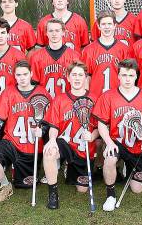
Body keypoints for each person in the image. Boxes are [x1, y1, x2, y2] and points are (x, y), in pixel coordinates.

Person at [0, 60, 50, 203]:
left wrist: (43, 130)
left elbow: (50, 121)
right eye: (18, 75)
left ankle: (20, 168)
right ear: (14, 76)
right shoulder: (9, 92)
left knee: (27, 184)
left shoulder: (42, 92)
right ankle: (5, 185)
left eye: (25, 74)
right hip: (12, 143)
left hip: (33, 147)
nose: (22, 78)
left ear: (31, 74)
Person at [96, 59, 142, 211]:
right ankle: (110, 195)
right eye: (124, 75)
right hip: (117, 141)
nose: (127, 79)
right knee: (109, 158)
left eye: (131, 75)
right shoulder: (108, 96)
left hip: (137, 146)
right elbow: (101, 124)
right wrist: (109, 142)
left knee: (137, 189)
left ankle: (129, 168)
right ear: (118, 76)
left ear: (136, 76)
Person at [41, 62, 99, 207]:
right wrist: (52, 140)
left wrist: (92, 136)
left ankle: (70, 167)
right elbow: (53, 125)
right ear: (68, 77)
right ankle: (53, 193)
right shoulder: (60, 99)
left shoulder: (94, 98)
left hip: (84, 149)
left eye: (81, 75)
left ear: (86, 77)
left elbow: (101, 127)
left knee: (82, 189)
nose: (77, 78)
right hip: (66, 143)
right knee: (49, 151)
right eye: (74, 75)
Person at [29, 19, 82, 98]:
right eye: (51, 31)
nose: (54, 34)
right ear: (46, 33)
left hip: (68, 104)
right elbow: (33, 86)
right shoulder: (36, 57)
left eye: (57, 30)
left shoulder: (75, 56)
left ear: (63, 32)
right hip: (44, 103)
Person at [82, 11, 131, 93]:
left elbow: (128, 78)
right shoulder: (89, 50)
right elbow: (86, 77)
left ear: (115, 26)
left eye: (109, 24)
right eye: (103, 24)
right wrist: (87, 97)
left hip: (117, 98)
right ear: (98, 26)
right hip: (95, 97)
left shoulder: (124, 49)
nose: (107, 27)